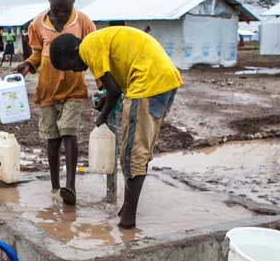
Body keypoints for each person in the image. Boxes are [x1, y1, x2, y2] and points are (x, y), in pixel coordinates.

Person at [49, 27, 183, 229]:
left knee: (132, 153)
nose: (75, 71)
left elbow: (112, 91)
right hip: (164, 80)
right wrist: (106, 98)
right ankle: (126, 209)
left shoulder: (87, 47)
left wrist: (101, 117)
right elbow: (115, 87)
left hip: (147, 83)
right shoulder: (97, 40)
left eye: (70, 67)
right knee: (141, 151)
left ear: (72, 52)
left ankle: (128, 219)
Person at [15, 0, 96, 205]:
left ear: (74, 1)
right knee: (52, 138)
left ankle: (70, 186)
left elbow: (93, 54)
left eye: (65, 10)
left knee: (69, 132)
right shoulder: (37, 24)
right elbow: (37, 54)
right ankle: (54, 186)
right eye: (56, 9)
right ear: (49, 0)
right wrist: (29, 65)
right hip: (47, 89)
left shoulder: (84, 22)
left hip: (73, 87)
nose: (60, 14)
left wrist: (102, 84)